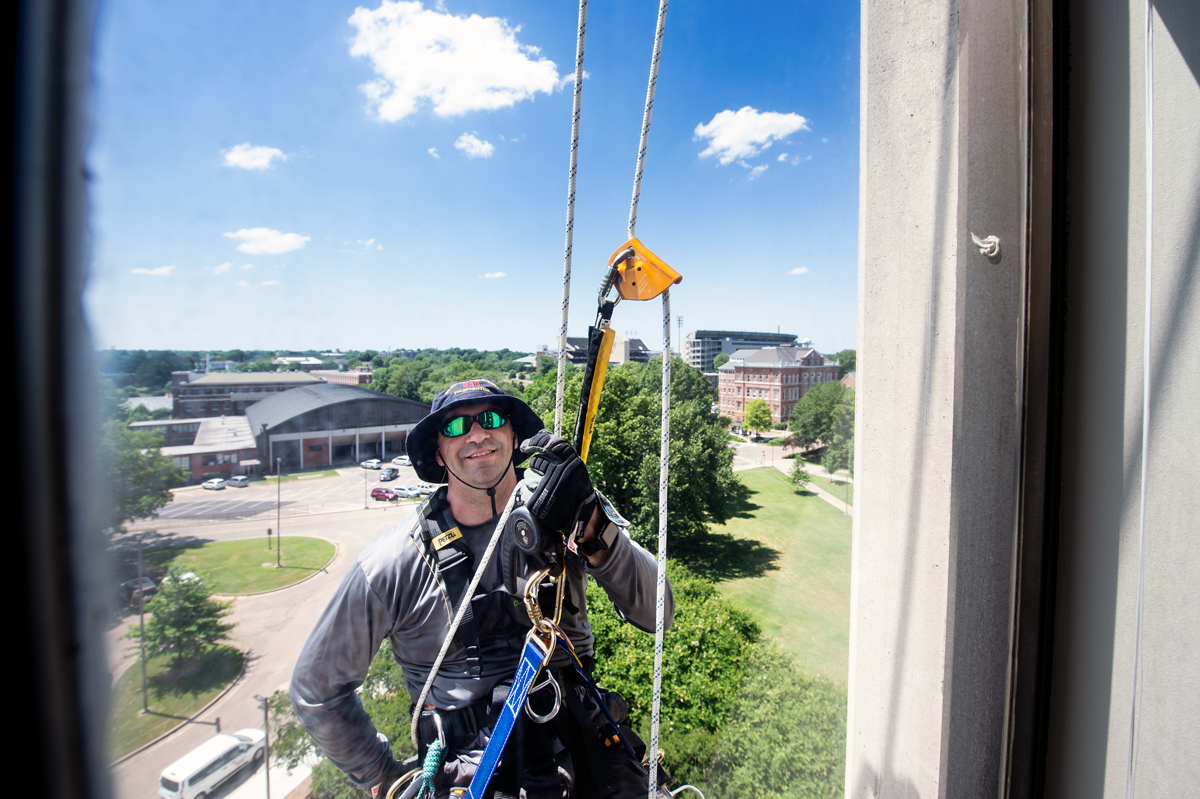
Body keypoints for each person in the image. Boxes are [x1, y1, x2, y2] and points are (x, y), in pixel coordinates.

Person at [290, 378, 673, 799]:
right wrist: (384, 778)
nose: (476, 433)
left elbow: (659, 612)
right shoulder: (394, 564)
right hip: (474, 777)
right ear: (438, 452)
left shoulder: (566, 509)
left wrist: (592, 524)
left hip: (587, 753)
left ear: (513, 434)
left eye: (491, 418)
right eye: (455, 426)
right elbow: (316, 689)